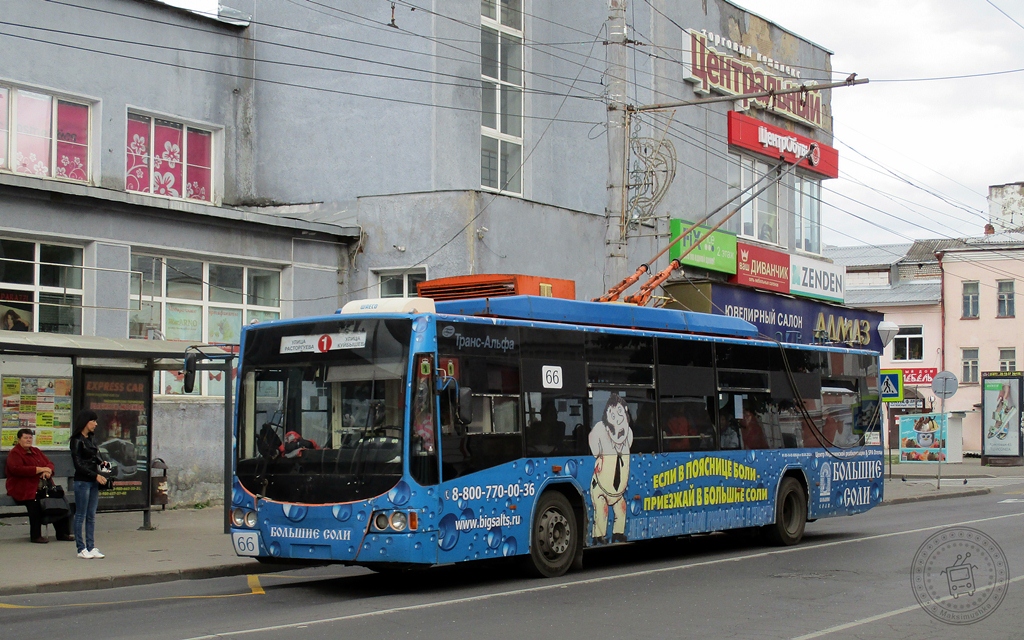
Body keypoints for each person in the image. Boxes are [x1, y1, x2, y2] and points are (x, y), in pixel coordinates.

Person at [4, 429, 74, 543]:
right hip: (23, 488)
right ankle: (36, 535)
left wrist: (48, 471)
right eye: (25, 438)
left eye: (30, 438)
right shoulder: (15, 453)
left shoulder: (36, 451)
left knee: (58, 500)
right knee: (34, 503)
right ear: (19, 439)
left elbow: (49, 463)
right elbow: (16, 469)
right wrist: (39, 469)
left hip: (42, 487)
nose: (28, 440)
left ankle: (63, 533)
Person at [70, 410, 108, 559]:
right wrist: (95, 475)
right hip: (82, 482)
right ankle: (81, 548)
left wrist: (104, 466)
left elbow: (96, 457)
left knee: (91, 515)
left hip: (93, 481)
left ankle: (91, 547)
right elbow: (78, 465)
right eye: (93, 421)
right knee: (81, 514)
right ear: (86, 422)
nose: (96, 424)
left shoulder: (91, 439)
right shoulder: (76, 440)